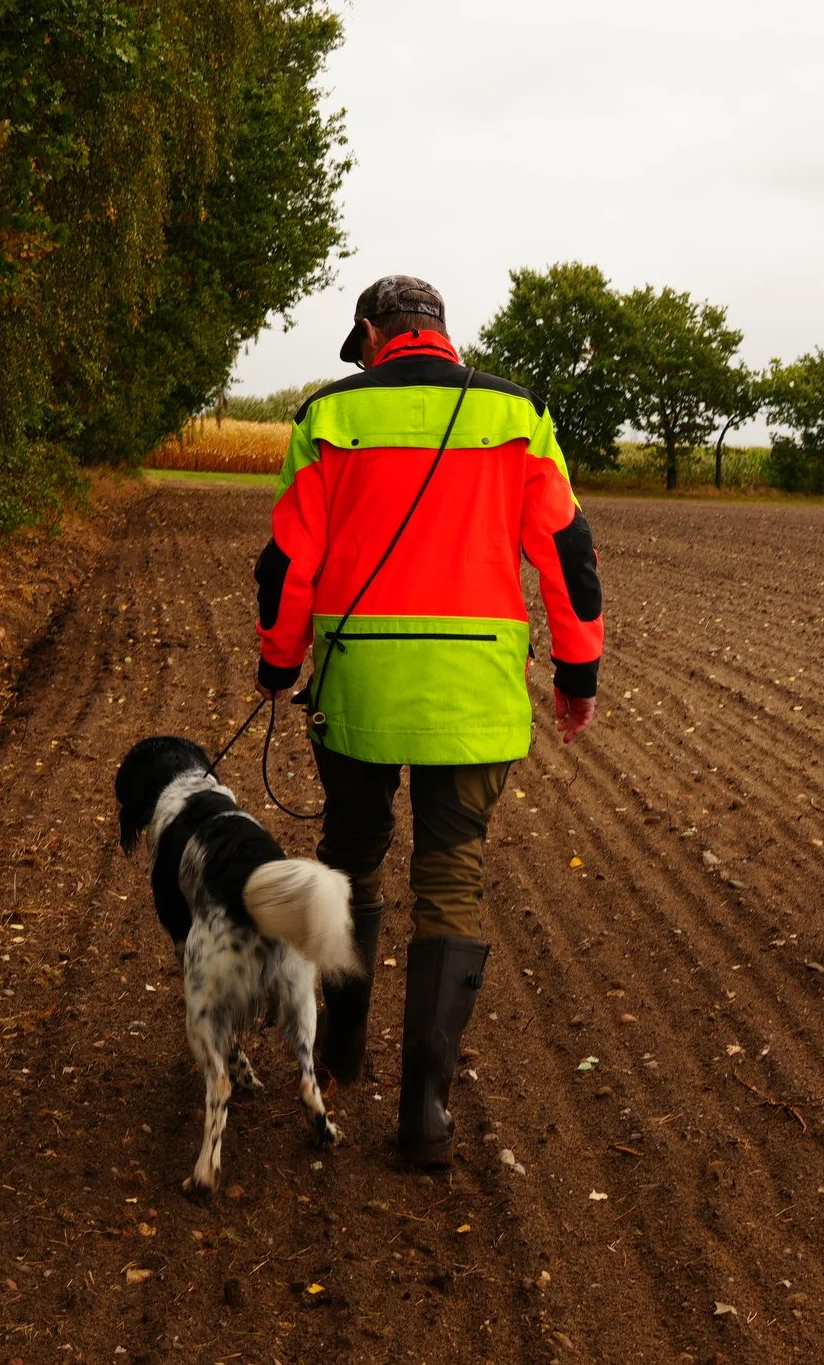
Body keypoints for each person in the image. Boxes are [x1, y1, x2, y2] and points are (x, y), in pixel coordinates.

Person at [253, 275, 604, 1168]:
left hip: (360, 688)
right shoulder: (517, 415)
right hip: (471, 693)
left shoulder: (331, 416)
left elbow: (290, 558)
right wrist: (578, 671)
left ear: (373, 335)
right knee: (453, 871)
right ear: (442, 331)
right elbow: (566, 551)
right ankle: (425, 1117)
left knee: (351, 855)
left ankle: (340, 1054)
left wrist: (279, 662)